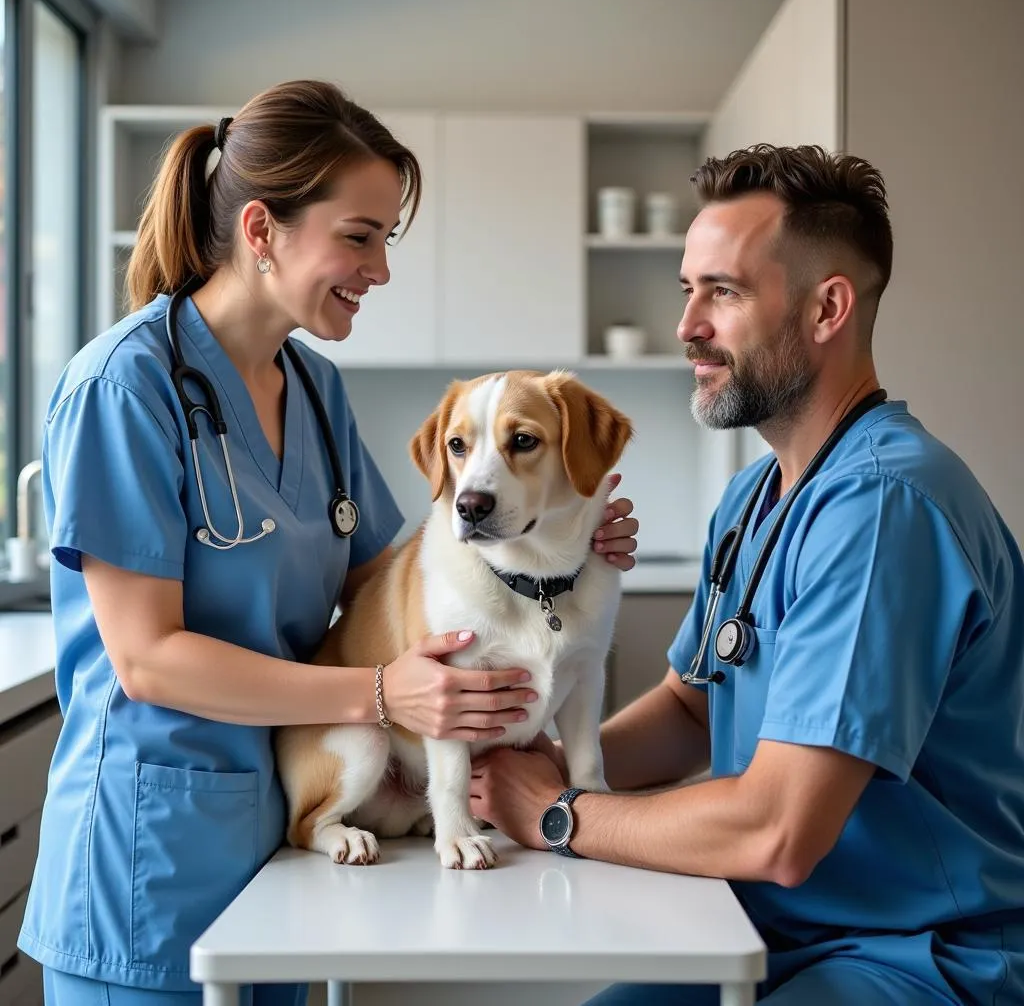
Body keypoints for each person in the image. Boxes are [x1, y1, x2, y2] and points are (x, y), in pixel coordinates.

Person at [17, 78, 641, 1006]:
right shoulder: (124, 387)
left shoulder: (311, 390)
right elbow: (148, 662)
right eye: (358, 237)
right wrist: (384, 694)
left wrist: (558, 539)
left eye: (385, 239)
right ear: (262, 231)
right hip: (155, 856)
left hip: (292, 851)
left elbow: (403, 582)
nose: (380, 270)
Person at [469, 143, 1024, 1005]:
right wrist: (537, 762)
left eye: (722, 292)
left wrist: (556, 814)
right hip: (771, 930)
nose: (688, 324)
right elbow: (693, 708)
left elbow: (779, 830)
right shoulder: (754, 497)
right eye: (686, 291)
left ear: (827, 308)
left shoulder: (883, 509)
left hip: (920, 958)